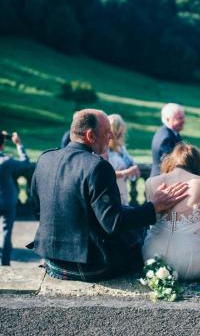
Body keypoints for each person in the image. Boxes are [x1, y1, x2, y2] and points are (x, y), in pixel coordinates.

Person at [30, 109, 188, 281]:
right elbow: (113, 223)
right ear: (90, 136)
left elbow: (38, 210)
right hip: (90, 266)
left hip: (52, 261)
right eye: (107, 132)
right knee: (142, 234)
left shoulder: (45, 158)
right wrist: (153, 207)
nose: (111, 136)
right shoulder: (97, 167)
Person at [142, 143, 200, 280]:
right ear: (198, 163)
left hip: (152, 259)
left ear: (172, 161)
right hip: (192, 262)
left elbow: (149, 218)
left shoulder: (151, 182)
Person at [0, 131, 32, 266]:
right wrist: (18, 144)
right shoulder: (6, 161)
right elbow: (26, 163)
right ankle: (4, 262)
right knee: (6, 232)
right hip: (7, 200)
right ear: (2, 145)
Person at [106, 114, 140, 205]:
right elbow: (105, 173)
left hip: (122, 188)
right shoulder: (104, 150)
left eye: (121, 133)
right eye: (118, 133)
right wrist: (127, 172)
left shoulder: (121, 147)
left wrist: (134, 168)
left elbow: (130, 162)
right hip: (111, 190)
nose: (121, 136)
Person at [150, 103, 185, 177]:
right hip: (162, 181)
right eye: (179, 118)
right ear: (168, 119)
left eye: (183, 117)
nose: (183, 121)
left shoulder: (172, 133)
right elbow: (169, 164)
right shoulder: (166, 138)